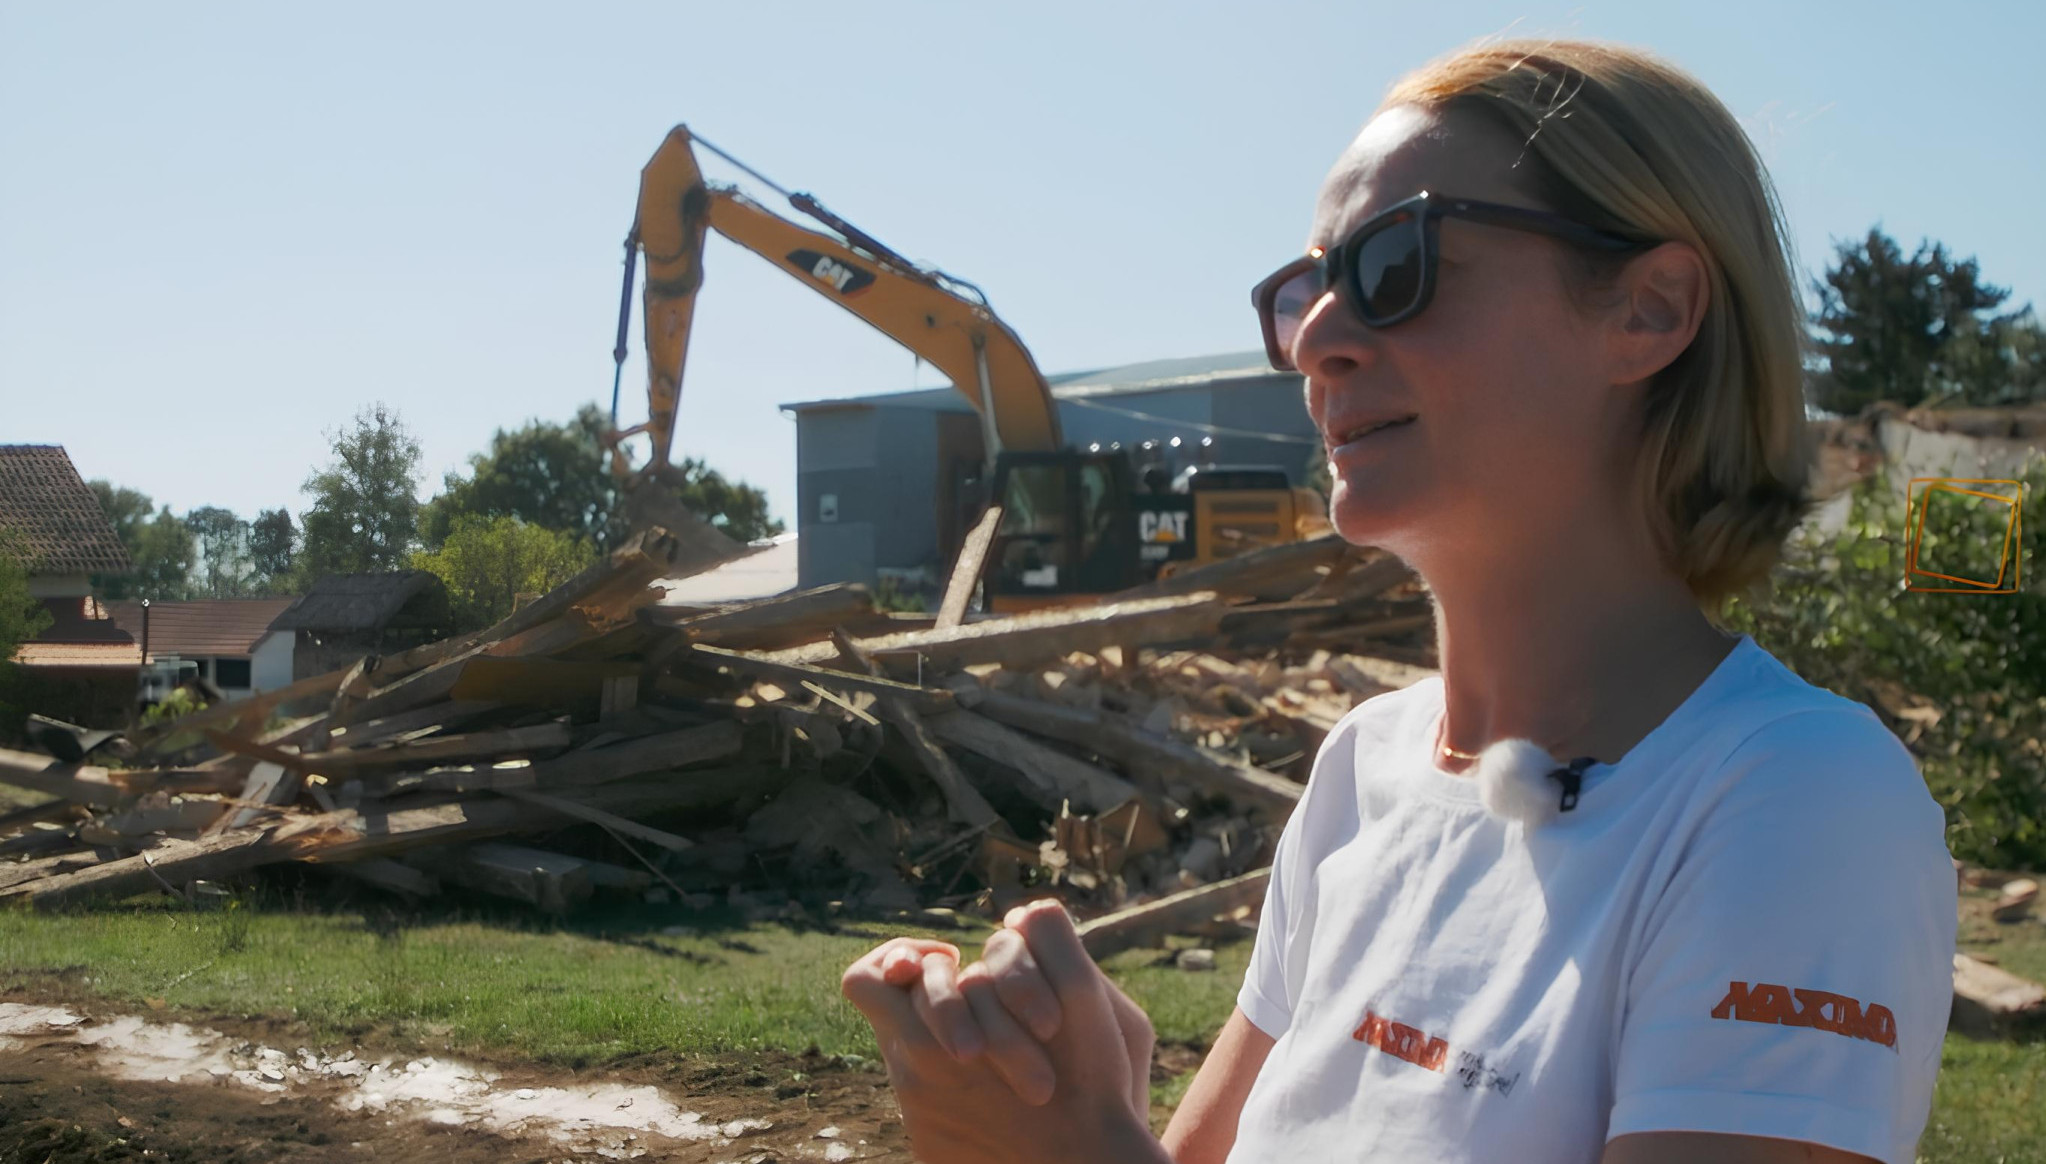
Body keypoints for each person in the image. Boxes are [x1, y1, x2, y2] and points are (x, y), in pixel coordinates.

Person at [841, 37, 1957, 1164]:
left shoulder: (1799, 798)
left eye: (1394, 266)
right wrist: (1068, 1106)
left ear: (1649, 309)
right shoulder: (1363, 770)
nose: (1318, 343)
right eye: (1306, 290)